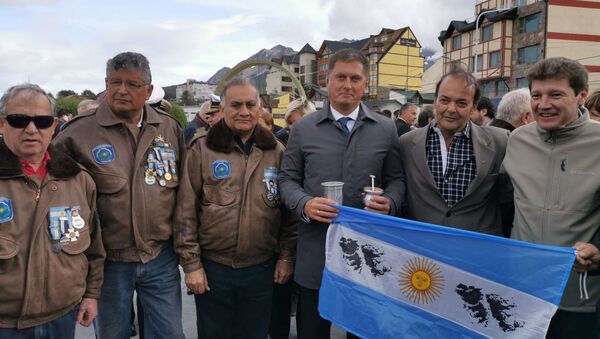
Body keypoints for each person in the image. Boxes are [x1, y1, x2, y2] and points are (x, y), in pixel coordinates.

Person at [53, 52, 185, 339]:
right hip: (109, 264)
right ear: (105, 84)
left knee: (170, 334)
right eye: (115, 82)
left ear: (148, 90)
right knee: (113, 335)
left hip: (160, 257)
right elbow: (55, 197)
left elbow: (183, 194)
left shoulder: (168, 128)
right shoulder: (77, 133)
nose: (122, 90)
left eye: (132, 84)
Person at [278, 48, 405, 339]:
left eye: (355, 78)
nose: (348, 84)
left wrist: (392, 201)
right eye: (341, 77)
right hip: (316, 255)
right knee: (312, 332)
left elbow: (397, 179)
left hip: (367, 257)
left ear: (365, 84)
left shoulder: (385, 130)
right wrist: (305, 203)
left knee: (363, 334)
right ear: (328, 82)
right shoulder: (304, 129)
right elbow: (287, 181)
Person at [175, 78, 296, 339]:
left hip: (261, 269)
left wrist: (286, 257)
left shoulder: (276, 151)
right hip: (213, 269)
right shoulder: (201, 149)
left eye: (250, 104)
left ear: (260, 107)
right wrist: (191, 265)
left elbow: (289, 216)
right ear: (223, 109)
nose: (244, 111)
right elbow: (185, 212)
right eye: (236, 104)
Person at [501, 57, 600, 338]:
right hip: (523, 290)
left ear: (581, 95)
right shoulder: (518, 140)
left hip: (579, 299)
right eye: (536, 95)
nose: (543, 104)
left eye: (556, 94)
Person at [0, 83, 105, 338]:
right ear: (2, 124)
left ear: (54, 124)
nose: (32, 129)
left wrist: (91, 295)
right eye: (19, 120)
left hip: (62, 317)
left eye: (42, 121)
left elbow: (94, 248)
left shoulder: (79, 180)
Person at [399, 66, 512, 236]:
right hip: (421, 250)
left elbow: (508, 200)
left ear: (474, 107)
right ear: (435, 101)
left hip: (476, 250)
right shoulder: (406, 144)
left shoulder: (500, 142)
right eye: (444, 100)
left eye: (461, 103)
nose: (451, 109)